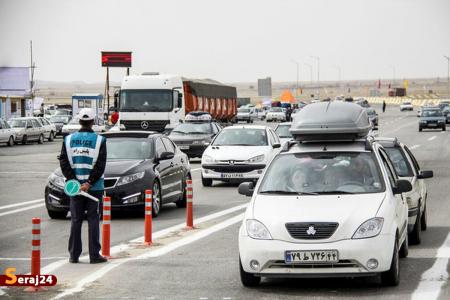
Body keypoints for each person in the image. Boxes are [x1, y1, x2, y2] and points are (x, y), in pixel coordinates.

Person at [59, 108, 107, 264]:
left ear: (79, 121)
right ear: (93, 122)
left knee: (76, 220)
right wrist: (89, 183)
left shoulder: (68, 140)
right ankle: (94, 255)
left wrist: (75, 182)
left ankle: (74, 255)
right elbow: (100, 165)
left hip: (75, 188)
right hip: (95, 188)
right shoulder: (100, 140)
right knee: (93, 219)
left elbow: (64, 163)